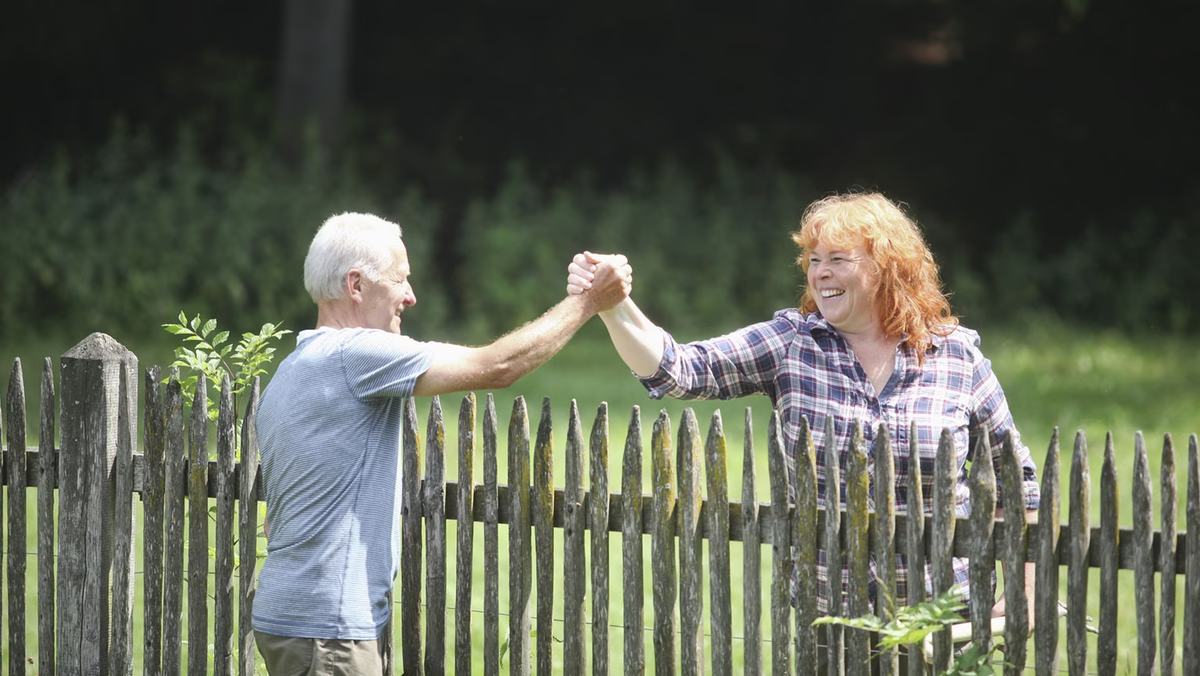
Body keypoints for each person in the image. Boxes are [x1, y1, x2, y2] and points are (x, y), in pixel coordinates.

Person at [567, 192, 1039, 636]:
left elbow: (1015, 480)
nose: (821, 273)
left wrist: (1027, 589)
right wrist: (613, 305)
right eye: (814, 260)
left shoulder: (955, 357)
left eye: (838, 259)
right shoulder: (793, 344)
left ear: (886, 267)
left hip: (945, 621)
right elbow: (680, 370)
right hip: (833, 622)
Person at [251, 212, 632, 675]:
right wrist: (589, 302)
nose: (410, 296)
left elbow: (278, 517)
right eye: (400, 279)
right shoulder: (355, 354)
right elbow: (499, 366)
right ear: (356, 285)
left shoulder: (290, 373)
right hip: (328, 628)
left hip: (289, 617)